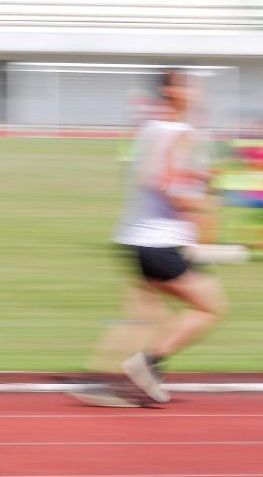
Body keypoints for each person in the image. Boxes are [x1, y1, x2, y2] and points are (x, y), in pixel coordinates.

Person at [75, 69, 228, 408]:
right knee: (211, 308)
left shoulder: (150, 129)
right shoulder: (181, 133)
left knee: (145, 317)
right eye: (190, 86)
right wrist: (202, 199)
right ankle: (149, 363)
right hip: (159, 243)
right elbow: (166, 184)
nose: (198, 93)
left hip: (137, 238)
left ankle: (98, 383)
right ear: (173, 91)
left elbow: (151, 177)